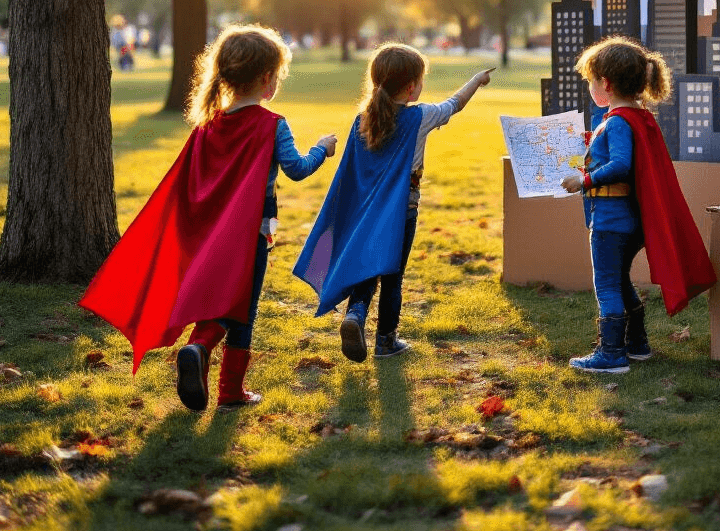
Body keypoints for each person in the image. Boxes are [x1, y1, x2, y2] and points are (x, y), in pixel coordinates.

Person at [80, 24, 337, 411]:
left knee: (223, 299)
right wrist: (322, 149)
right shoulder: (272, 124)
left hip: (208, 235)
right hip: (252, 235)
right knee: (241, 308)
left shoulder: (209, 123)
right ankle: (225, 384)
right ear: (266, 79)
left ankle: (198, 349)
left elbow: (193, 183)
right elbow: (297, 169)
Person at [294, 43, 492, 362]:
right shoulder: (421, 116)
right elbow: (455, 104)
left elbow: (353, 173)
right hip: (402, 211)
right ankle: (386, 341)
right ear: (412, 87)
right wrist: (476, 80)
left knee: (368, 266)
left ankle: (356, 314)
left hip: (365, 212)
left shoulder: (363, 119)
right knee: (392, 275)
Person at [560, 36, 716, 374]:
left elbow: (621, 166)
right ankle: (637, 344)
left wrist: (583, 181)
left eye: (590, 80)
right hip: (630, 222)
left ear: (605, 83)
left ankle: (611, 353)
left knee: (607, 283)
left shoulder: (617, 121)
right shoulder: (637, 117)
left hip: (611, 221)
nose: (590, 86)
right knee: (619, 279)